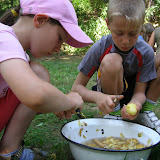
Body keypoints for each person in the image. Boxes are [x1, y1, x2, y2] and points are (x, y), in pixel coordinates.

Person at [0, 0, 93, 159]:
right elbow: (36, 95)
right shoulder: (3, 37)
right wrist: (68, 100)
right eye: (59, 38)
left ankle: (8, 151)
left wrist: (54, 103)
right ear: (40, 20)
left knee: (36, 72)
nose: (58, 49)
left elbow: (35, 97)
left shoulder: (18, 54)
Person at [71, 0, 160, 134]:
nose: (125, 41)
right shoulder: (100, 47)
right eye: (119, 33)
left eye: (132, 33)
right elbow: (76, 89)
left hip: (134, 92)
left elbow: (140, 92)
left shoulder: (145, 51)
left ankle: (144, 112)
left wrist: (136, 104)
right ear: (108, 24)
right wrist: (98, 97)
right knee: (112, 60)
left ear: (141, 28)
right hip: (110, 92)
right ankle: (114, 113)